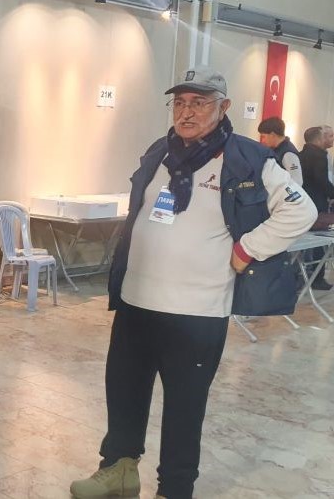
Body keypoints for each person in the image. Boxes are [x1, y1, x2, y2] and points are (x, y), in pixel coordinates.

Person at [70, 66, 316, 499]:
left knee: (184, 406)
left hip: (197, 312)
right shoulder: (160, 153)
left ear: (223, 107)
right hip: (136, 301)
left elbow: (302, 210)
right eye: (180, 103)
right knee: (124, 392)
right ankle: (119, 469)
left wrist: (248, 248)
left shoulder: (247, 158)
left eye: (199, 103)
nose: (187, 112)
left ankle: (175, 488)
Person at [299, 126, 334, 290]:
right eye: (330, 136)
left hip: (303, 203)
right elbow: (322, 181)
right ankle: (317, 278)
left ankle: (303, 273)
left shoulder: (301, 154)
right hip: (317, 203)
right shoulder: (319, 156)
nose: (332, 139)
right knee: (319, 240)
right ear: (320, 138)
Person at [258, 116, 302, 185]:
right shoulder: (276, 149)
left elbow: (297, 182)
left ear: (272, 135)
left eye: (263, 137)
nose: (262, 141)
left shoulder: (288, 154)